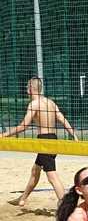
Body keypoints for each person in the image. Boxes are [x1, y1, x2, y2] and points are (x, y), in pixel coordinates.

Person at [1, 76, 79, 206]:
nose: (26, 89)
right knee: (35, 170)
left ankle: (65, 205)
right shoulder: (50, 102)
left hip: (44, 141)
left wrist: (5, 134)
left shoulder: (34, 104)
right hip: (53, 139)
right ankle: (22, 199)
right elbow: (62, 119)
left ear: (30, 89)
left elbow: (23, 126)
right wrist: (73, 135)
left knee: (51, 175)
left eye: (27, 87)